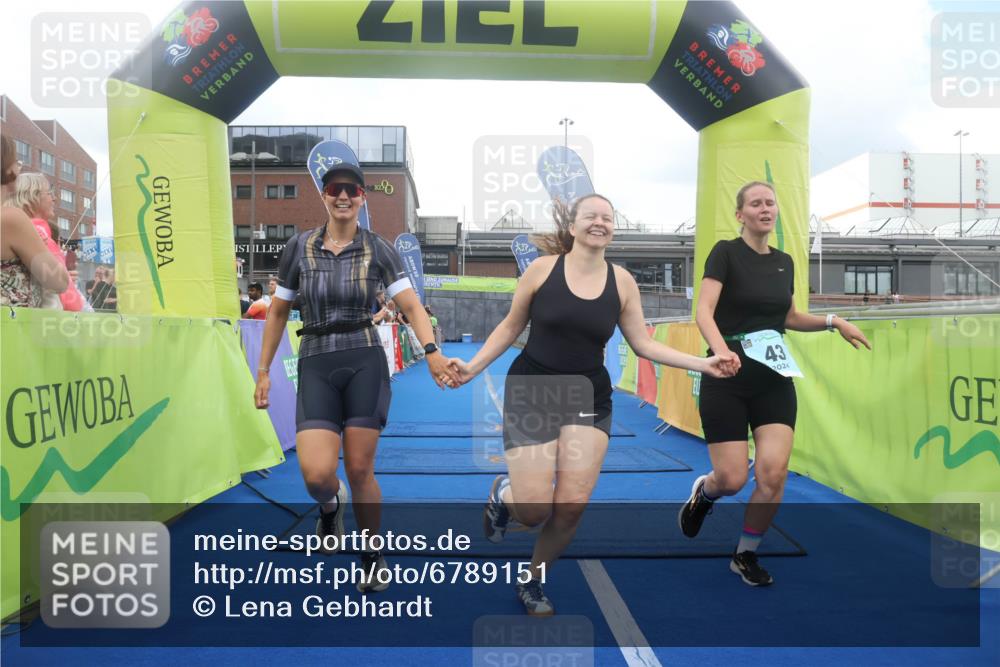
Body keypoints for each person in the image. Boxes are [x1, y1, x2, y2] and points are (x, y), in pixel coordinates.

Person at [447, 194, 735, 616]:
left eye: (608, 217)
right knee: (533, 509)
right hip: (534, 390)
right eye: (591, 216)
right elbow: (511, 326)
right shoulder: (542, 271)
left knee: (571, 504)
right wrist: (472, 367)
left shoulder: (622, 282)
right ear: (573, 227)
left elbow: (643, 344)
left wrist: (703, 363)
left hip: (588, 397)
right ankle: (504, 496)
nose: (600, 223)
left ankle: (533, 581)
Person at [253, 163, 459, 591]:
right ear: (324, 196)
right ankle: (331, 508)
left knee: (361, 468)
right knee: (315, 475)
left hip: (364, 359)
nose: (343, 196)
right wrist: (263, 372)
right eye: (334, 189)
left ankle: (371, 555)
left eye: (351, 190)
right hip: (316, 361)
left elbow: (413, 306)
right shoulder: (298, 247)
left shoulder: (379, 248)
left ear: (362, 197)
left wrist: (433, 351)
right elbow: (277, 312)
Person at [680, 181, 871, 586]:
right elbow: (704, 311)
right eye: (755, 203)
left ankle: (745, 554)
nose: (765, 209)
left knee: (772, 474)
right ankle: (706, 493)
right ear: (741, 214)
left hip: (773, 379)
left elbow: (788, 317)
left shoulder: (784, 261)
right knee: (732, 479)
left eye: (770, 203)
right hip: (726, 376)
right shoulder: (725, 253)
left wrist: (833, 322)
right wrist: (721, 352)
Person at [0, 135, 68, 308]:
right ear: (8, 170)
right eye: (16, 162)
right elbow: (58, 281)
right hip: (11, 331)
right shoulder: (10, 219)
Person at [5, 172, 85, 311]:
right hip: (37, 323)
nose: (54, 199)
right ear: (32, 196)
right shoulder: (39, 233)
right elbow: (68, 298)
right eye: (49, 193)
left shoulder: (12, 230)